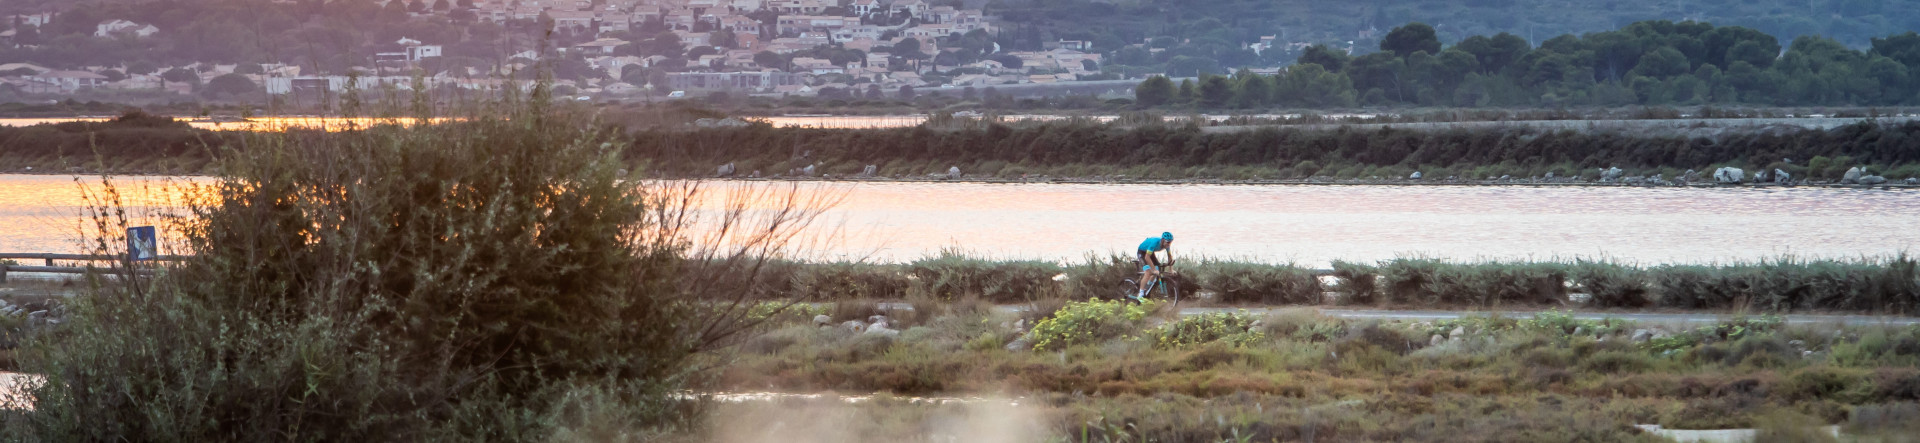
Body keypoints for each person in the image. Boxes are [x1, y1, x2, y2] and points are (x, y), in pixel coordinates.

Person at [1134, 232, 1174, 301]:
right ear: (1162, 240)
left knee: (1157, 268)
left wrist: (1171, 269)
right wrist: (1153, 270)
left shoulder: (1167, 245)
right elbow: (1147, 257)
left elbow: (1169, 257)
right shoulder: (1155, 243)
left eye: (1170, 242)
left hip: (1150, 252)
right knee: (1148, 272)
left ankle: (1147, 286)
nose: (1169, 244)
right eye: (1168, 242)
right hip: (1142, 252)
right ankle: (1140, 294)